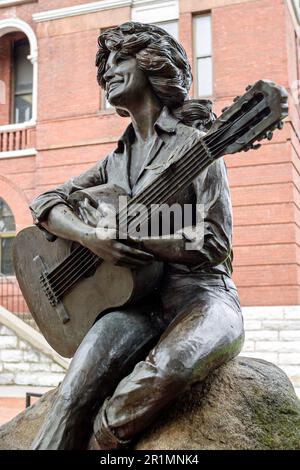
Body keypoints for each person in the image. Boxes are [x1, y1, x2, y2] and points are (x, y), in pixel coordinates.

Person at [30, 22, 244, 450]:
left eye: (119, 59)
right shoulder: (114, 161)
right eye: (104, 64)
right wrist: (90, 236)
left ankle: (101, 444)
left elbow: (215, 242)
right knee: (72, 394)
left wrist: (137, 235)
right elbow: (45, 203)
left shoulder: (196, 145)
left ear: (151, 64)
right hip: (136, 302)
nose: (108, 70)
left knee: (171, 367)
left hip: (203, 296)